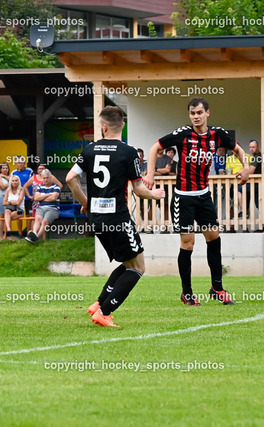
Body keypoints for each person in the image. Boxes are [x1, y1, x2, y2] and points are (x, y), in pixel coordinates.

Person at [144, 97, 250, 306]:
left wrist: (245, 167)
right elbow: (154, 148)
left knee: (213, 237)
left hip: (204, 195)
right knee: (188, 243)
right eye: (193, 113)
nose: (196, 117)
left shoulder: (217, 134)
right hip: (183, 198)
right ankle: (187, 293)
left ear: (207, 113)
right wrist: (150, 174)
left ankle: (217, 288)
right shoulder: (183, 134)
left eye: (199, 113)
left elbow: (238, 149)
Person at [67, 106, 165, 327]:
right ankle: (105, 311)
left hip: (97, 220)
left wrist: (86, 204)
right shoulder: (128, 152)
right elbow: (139, 190)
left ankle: (99, 304)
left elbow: (71, 178)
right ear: (122, 125)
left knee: (127, 263)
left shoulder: (89, 150)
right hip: (118, 218)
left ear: (103, 127)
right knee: (138, 268)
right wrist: (155, 194)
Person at [26, 169, 61, 243]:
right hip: (41, 208)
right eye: (44, 178)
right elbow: (36, 198)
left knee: (44, 222)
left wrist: (42, 198)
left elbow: (53, 198)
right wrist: (48, 195)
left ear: (50, 177)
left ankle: (36, 238)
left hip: (53, 209)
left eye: (47, 178)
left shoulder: (56, 186)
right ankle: (34, 233)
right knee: (38, 218)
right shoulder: (40, 187)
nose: (45, 180)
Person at [11, 156, 33, 233]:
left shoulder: (29, 171)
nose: (20, 164)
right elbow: (11, 184)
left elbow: (33, 182)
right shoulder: (13, 172)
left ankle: (28, 232)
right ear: (16, 164)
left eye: (22, 163)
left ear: (24, 163)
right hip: (18, 198)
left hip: (28, 197)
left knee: (29, 215)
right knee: (19, 216)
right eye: (18, 163)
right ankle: (20, 233)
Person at [2, 175, 25, 239]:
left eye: (16, 181)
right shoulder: (8, 190)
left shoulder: (21, 190)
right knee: (6, 211)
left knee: (7, 217)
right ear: (11, 182)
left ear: (18, 182)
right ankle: (9, 230)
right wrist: (11, 202)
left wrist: (9, 202)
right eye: (13, 181)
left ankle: (6, 236)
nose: (14, 182)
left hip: (19, 210)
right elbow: (3, 203)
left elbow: (18, 203)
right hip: (10, 209)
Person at [0, 162, 10, 239]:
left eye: (6, 168)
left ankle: (6, 235)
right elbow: (2, 186)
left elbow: (15, 183)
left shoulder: (10, 176)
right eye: (3, 168)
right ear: (1, 169)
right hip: (1, 197)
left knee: (7, 216)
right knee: (2, 216)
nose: (5, 169)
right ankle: (1, 236)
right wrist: (10, 183)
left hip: (9, 198)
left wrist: (7, 178)